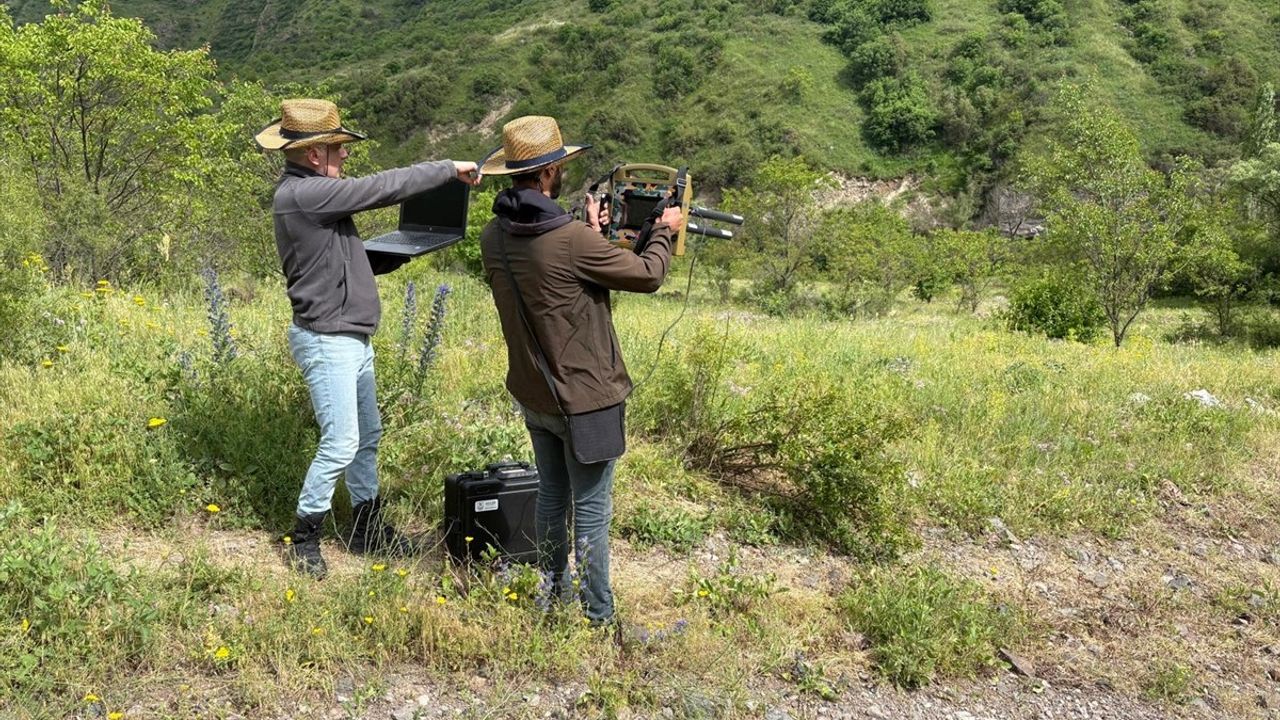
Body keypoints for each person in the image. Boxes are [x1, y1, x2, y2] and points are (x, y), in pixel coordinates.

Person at [255, 98, 480, 578]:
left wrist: (400, 250)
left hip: (349, 336)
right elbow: (380, 188)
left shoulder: (311, 194)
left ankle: (365, 527)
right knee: (341, 442)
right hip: (328, 339)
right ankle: (304, 536)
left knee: (367, 437)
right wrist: (446, 169)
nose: (345, 155)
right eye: (338, 148)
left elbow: (338, 257)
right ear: (314, 154)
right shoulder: (306, 194)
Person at [478, 116, 683, 625]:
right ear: (549, 173)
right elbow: (648, 275)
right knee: (591, 510)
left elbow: (555, 282)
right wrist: (662, 230)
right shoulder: (570, 240)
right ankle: (598, 618)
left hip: (536, 394)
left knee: (552, 496)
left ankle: (553, 595)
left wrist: (592, 233)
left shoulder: (493, 235)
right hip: (587, 400)